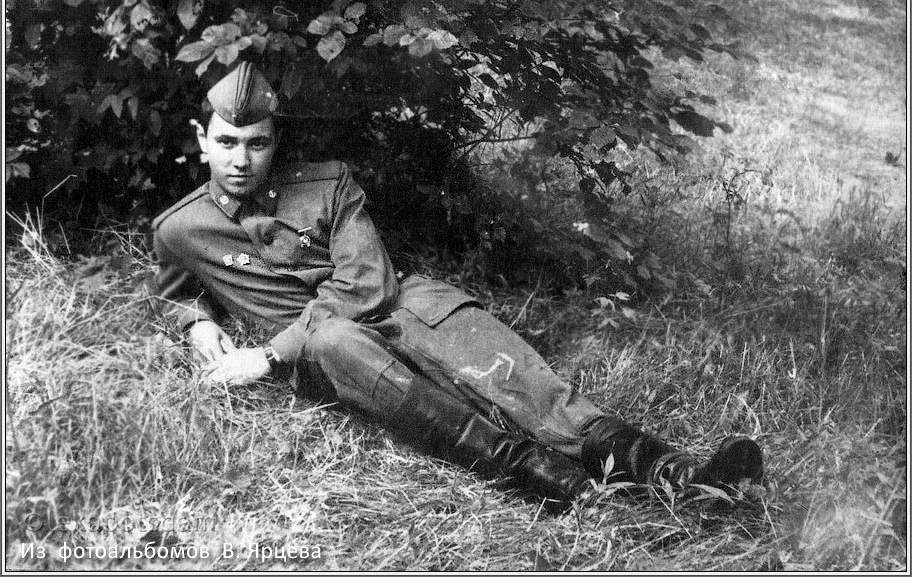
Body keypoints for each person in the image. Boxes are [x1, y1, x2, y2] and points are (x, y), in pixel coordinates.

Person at [152, 61, 763, 509]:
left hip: (405, 306)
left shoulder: (328, 183)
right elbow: (173, 289)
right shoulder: (180, 230)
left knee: (530, 387)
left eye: (256, 143)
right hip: (329, 350)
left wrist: (263, 356)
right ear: (202, 140)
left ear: (275, 142)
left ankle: (678, 475)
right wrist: (197, 320)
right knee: (334, 339)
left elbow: (368, 286)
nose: (240, 160)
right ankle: (546, 479)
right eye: (226, 142)